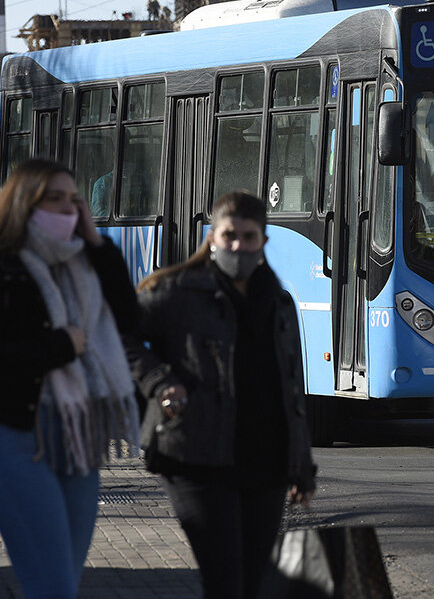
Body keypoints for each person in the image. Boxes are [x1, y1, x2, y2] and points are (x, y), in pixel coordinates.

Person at [0, 159, 141, 599]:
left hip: (75, 441)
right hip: (12, 439)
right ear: (22, 204)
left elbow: (130, 319)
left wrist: (95, 241)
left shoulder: (82, 264)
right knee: (51, 586)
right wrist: (60, 346)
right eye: (52, 199)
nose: (67, 210)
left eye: (73, 200)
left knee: (64, 585)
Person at [129, 190, 317, 599]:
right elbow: (119, 334)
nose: (238, 246)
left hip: (263, 462)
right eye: (229, 235)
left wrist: (301, 465)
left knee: (254, 582)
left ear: (263, 241)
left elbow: (290, 389)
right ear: (212, 237)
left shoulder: (279, 302)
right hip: (195, 457)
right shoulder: (177, 292)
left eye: (248, 237)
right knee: (226, 580)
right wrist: (159, 381)